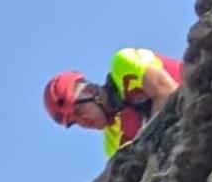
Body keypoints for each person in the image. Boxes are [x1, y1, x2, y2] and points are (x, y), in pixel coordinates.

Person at [43, 50, 184, 157]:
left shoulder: (123, 65)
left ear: (91, 91)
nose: (83, 122)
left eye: (79, 111)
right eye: (75, 122)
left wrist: (147, 139)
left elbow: (166, 91)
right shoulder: (113, 143)